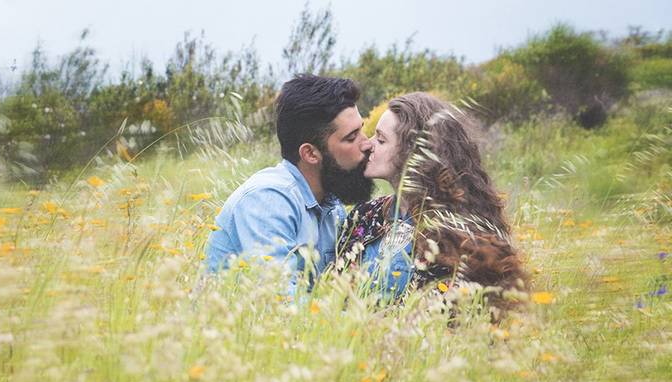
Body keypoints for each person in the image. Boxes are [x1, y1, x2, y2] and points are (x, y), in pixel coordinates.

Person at [337, 92, 528, 314]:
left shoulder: (459, 231)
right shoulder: (368, 215)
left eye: (381, 139)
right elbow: (333, 291)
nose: (368, 145)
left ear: (413, 152)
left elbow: (462, 318)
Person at [205, 75, 374, 294]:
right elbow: (278, 303)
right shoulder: (267, 201)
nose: (367, 143)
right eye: (352, 137)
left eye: (362, 129)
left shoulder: (331, 206)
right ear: (310, 153)